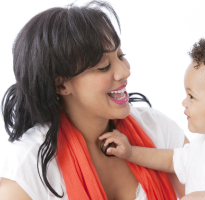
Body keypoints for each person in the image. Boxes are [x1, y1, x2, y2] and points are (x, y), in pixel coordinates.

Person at [0, 1, 188, 199]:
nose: (125, 71)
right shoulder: (27, 166)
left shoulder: (158, 129)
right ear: (61, 85)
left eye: (121, 56)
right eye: (104, 66)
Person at [100, 34, 205, 200]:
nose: (184, 102)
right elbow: (170, 160)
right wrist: (130, 152)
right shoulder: (200, 145)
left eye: (191, 96)